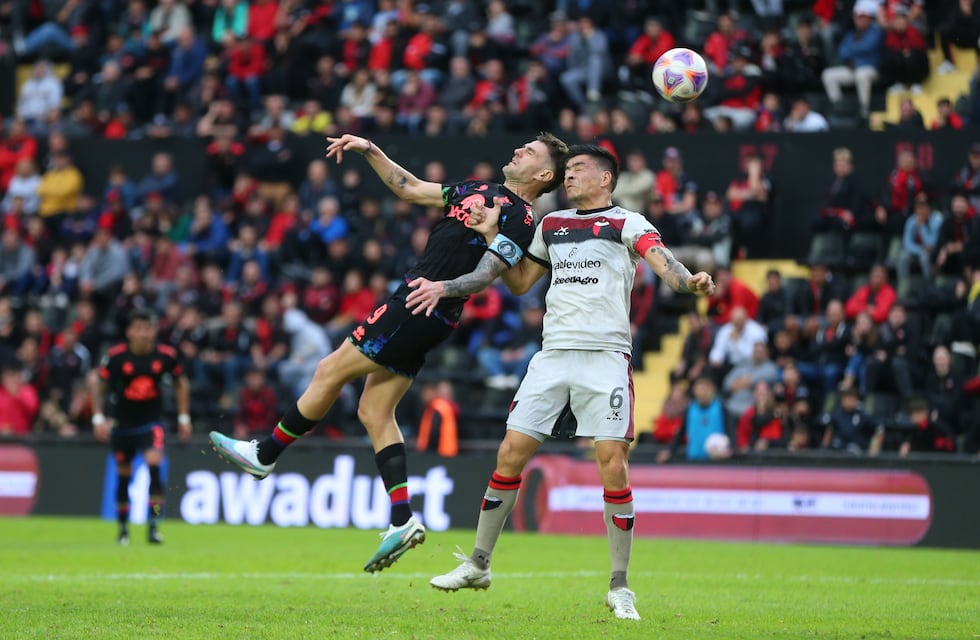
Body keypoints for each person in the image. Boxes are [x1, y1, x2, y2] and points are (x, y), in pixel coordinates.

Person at [209, 132, 569, 573]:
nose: (517, 149)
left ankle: (265, 454)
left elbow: (489, 276)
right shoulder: (480, 190)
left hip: (422, 303)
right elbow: (412, 188)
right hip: (424, 304)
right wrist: (371, 150)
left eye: (529, 151)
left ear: (544, 174)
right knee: (374, 412)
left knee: (330, 369)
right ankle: (402, 520)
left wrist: (445, 285)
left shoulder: (521, 219)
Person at [406, 145, 714, 620]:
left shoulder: (627, 222)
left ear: (606, 179)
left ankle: (619, 585)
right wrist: (491, 234)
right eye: (566, 171)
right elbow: (521, 282)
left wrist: (690, 281)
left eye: (578, 170)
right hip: (552, 356)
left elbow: (664, 264)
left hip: (606, 357)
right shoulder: (551, 225)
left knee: (612, 462)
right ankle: (479, 564)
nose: (568, 178)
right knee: (509, 453)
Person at [90, 310, 191, 545]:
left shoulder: (166, 356)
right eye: (139, 329)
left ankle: (154, 527)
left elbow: (180, 383)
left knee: (154, 468)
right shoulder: (116, 357)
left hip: (151, 422)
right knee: (124, 476)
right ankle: (123, 529)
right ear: (129, 332)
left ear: (154, 331)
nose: (144, 334)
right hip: (122, 424)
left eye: (148, 329)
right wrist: (97, 417)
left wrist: (184, 417)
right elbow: (99, 385)